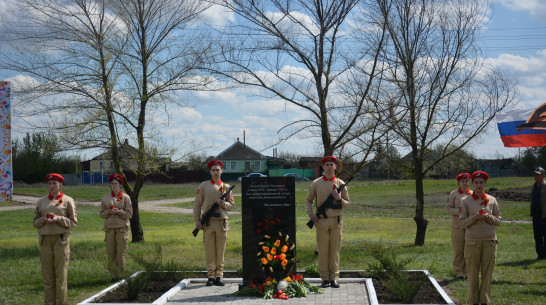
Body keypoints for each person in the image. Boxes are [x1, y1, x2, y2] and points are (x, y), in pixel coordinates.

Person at [305, 156, 350, 288]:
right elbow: (308, 200)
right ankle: (324, 278)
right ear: (323, 167)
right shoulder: (316, 183)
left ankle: (334, 278)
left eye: (332, 164)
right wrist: (311, 214)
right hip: (321, 221)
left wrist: (339, 199)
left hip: (336, 222)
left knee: (335, 251)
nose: (329, 167)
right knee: (323, 250)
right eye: (327, 165)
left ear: (335, 167)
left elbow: (347, 204)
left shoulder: (341, 183)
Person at [33, 173, 77, 305]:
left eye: (54, 183)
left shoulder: (67, 200)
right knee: (47, 277)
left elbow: (73, 222)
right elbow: (35, 223)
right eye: (49, 183)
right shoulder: (41, 201)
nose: (51, 186)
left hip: (61, 240)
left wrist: (58, 219)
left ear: (60, 185)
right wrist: (43, 219)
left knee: (60, 276)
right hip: (45, 241)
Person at [460, 171, 501, 305]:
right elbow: (462, 223)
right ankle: (472, 302)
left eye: (481, 182)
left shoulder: (492, 200)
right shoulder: (465, 201)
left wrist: (488, 217)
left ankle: (484, 301)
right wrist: (474, 217)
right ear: (472, 184)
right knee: (472, 274)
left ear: (485, 183)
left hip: (489, 241)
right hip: (472, 242)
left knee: (487, 274)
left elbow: (498, 221)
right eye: (476, 183)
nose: (478, 185)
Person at [193, 160, 235, 286]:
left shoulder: (226, 187)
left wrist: (224, 204)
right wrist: (197, 221)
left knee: (220, 250)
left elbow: (232, 204)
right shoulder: (204, 185)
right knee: (210, 250)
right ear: (210, 172)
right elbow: (197, 204)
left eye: (218, 170)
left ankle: (219, 276)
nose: (216, 172)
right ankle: (211, 276)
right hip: (208, 223)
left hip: (222, 223)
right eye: (213, 170)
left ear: (221, 171)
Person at [100, 173, 133, 280]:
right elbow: (101, 214)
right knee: (111, 254)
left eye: (116, 184)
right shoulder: (106, 198)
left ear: (120, 185)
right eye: (112, 184)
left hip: (122, 229)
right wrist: (109, 212)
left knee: (120, 254)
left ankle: (121, 276)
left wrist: (119, 212)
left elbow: (129, 214)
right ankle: (113, 276)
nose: (114, 186)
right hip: (109, 229)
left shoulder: (126, 198)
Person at [445, 172, 471, 279]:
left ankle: (469, 272)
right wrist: (459, 211)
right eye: (463, 181)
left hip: (470, 224)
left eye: (467, 181)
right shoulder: (454, 194)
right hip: (458, 224)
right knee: (458, 248)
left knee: (469, 249)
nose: (465, 183)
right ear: (459, 183)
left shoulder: (473, 194)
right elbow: (448, 208)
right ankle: (459, 272)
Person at [530, 167, 546, 260]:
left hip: (544, 214)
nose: (535, 176)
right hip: (536, 213)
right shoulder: (534, 186)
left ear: (543, 176)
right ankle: (540, 255)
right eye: (535, 174)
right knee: (537, 235)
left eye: (537, 174)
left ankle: (545, 255)